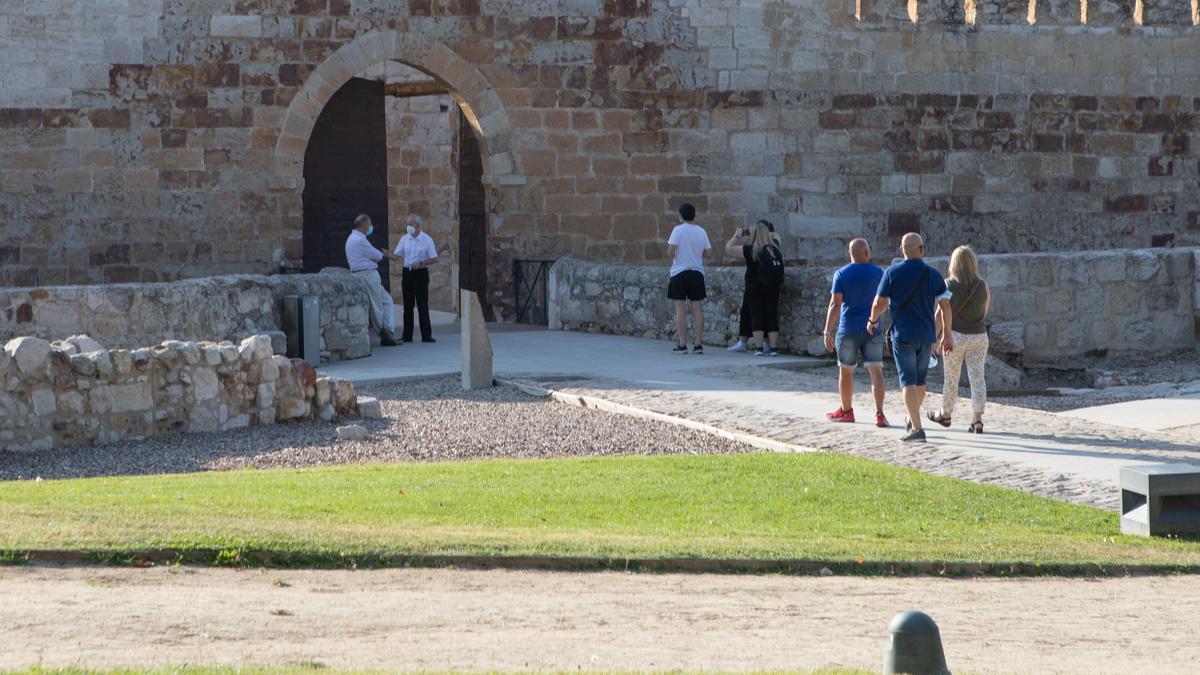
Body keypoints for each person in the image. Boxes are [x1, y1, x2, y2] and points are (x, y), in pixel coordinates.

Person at [866, 232, 953, 442]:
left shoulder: (892, 273)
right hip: (926, 335)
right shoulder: (932, 275)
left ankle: (916, 428)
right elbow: (945, 306)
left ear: (901, 249)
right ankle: (911, 417)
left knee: (908, 382)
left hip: (902, 334)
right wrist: (947, 334)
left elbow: (879, 302)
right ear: (921, 249)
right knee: (920, 383)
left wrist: (872, 320)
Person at [822, 238, 888, 427]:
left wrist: (827, 331)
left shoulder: (841, 274)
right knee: (876, 370)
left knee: (845, 370)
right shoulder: (878, 273)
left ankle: (847, 410)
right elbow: (884, 302)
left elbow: (835, 304)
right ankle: (879, 414)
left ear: (850, 254)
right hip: (872, 327)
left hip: (848, 328)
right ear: (867, 253)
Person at [928, 245, 990, 434]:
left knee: (952, 377)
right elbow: (984, 311)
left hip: (955, 336)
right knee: (977, 377)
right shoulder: (982, 285)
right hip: (979, 335)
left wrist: (934, 338)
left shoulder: (948, 285)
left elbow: (940, 315)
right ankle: (977, 420)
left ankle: (946, 414)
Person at [724, 221, 783, 356]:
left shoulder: (750, 250)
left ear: (754, 235)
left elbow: (728, 248)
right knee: (771, 315)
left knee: (757, 316)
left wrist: (738, 236)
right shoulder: (774, 247)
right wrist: (765, 233)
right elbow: (778, 235)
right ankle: (773, 348)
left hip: (754, 286)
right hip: (772, 286)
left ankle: (759, 348)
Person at [345, 214, 400, 347]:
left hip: (365, 273)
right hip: (367, 274)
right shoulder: (359, 240)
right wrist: (384, 255)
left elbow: (372, 255)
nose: (371, 227)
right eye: (369, 224)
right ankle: (384, 333)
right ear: (363, 226)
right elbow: (375, 255)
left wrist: (377, 256)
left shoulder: (353, 238)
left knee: (386, 300)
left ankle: (388, 330)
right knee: (377, 305)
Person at [666, 202, 711, 354]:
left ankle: (682, 344)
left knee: (680, 309)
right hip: (697, 273)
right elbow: (708, 253)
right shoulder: (701, 231)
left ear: (681, 216)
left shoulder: (677, 230)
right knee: (697, 309)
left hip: (679, 273)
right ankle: (698, 344)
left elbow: (670, 252)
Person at [393, 214, 438, 344]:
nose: (408, 227)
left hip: (420, 273)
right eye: (407, 224)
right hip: (407, 273)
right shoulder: (404, 239)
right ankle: (407, 336)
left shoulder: (427, 239)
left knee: (422, 304)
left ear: (417, 226)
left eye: (410, 225)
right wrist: (389, 255)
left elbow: (434, 258)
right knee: (407, 305)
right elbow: (397, 255)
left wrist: (420, 263)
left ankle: (426, 335)